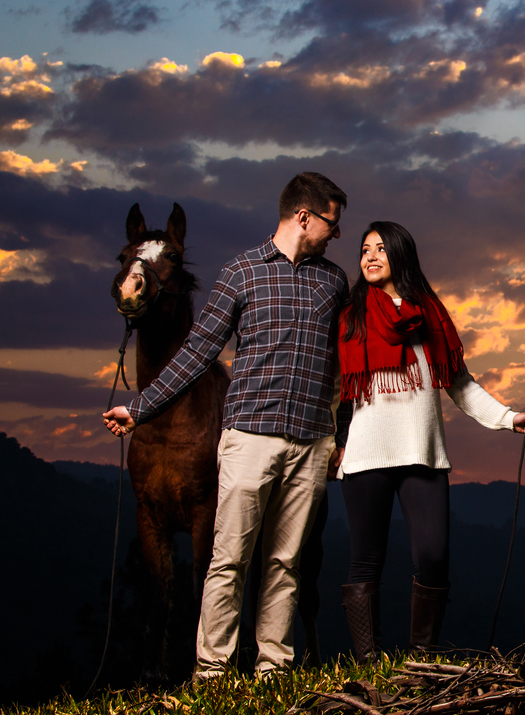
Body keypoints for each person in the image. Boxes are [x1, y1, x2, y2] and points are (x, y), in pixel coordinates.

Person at [103, 172, 349, 680]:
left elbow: (343, 365)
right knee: (229, 558)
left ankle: (272, 669)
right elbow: (198, 351)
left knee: (284, 564)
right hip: (249, 437)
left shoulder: (334, 281)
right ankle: (212, 671)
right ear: (304, 216)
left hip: (310, 442)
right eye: (332, 223)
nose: (336, 234)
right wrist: (140, 406)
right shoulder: (241, 272)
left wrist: (339, 436)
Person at [333, 221, 525, 660]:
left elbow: (460, 385)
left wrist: (507, 417)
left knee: (433, 557)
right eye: (365, 249)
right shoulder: (351, 315)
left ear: (401, 256)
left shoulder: (429, 316)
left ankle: (421, 660)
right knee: (365, 562)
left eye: (381, 250)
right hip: (365, 455)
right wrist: (335, 442)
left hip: (422, 454)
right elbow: (338, 388)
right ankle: (370, 663)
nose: (370, 257)